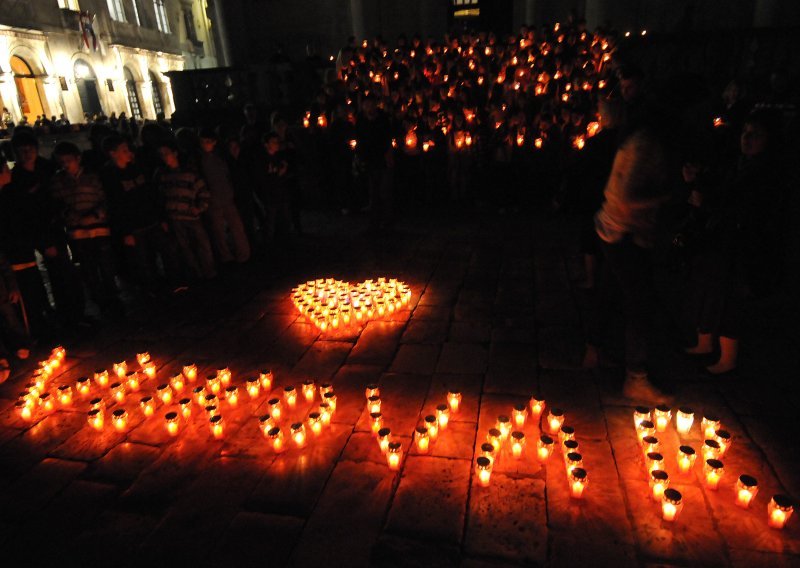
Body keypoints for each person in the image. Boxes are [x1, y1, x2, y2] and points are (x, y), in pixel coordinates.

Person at [684, 110, 784, 374]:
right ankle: (705, 342)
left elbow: (748, 211)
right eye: (745, 132)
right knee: (708, 288)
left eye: (756, 134)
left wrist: (709, 205)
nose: (747, 139)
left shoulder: (767, 175)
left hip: (743, 246)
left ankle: (728, 359)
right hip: (721, 241)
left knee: (731, 299)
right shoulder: (739, 163)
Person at [592, 126, 672, 403]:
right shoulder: (645, 146)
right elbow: (626, 199)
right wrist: (666, 197)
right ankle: (636, 377)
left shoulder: (635, 139)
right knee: (639, 302)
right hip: (622, 232)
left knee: (609, 289)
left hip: (613, 227)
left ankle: (595, 350)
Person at [8, 129, 85, 328]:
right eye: (22, 150)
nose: (27, 153)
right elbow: (25, 213)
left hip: (60, 223)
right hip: (42, 231)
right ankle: (69, 315)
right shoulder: (16, 178)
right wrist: (43, 241)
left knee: (69, 269)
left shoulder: (47, 167)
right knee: (58, 272)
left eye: (30, 149)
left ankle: (77, 311)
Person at [101, 134, 182, 295]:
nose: (128, 153)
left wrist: (161, 217)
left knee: (167, 252)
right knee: (144, 260)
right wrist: (126, 232)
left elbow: (150, 194)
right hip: (134, 227)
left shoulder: (137, 168)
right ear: (113, 153)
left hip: (151, 220)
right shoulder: (109, 176)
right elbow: (116, 206)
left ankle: (175, 282)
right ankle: (153, 289)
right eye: (123, 150)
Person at [50, 141, 121, 316]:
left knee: (106, 267)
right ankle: (101, 303)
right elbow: (57, 205)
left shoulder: (92, 177)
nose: (66, 165)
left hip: (99, 229)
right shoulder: (58, 181)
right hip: (78, 233)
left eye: (69, 160)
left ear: (78, 158)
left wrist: (94, 215)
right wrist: (69, 215)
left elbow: (104, 200)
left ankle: (114, 301)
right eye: (62, 161)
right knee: (89, 270)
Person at [155, 140, 216, 280]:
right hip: (175, 218)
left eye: (166, 153)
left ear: (175, 153)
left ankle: (210, 272)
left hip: (191, 216)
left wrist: (200, 208)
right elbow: (161, 197)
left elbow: (204, 192)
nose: (164, 157)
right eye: (161, 155)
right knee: (185, 248)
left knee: (202, 244)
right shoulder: (163, 175)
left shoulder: (189, 173)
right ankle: (196, 273)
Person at [198, 128, 250, 265]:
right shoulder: (199, 160)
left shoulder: (220, 157)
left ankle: (244, 255)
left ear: (214, 142)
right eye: (203, 142)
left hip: (227, 198)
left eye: (208, 141)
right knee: (219, 232)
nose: (205, 144)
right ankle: (226, 258)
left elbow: (228, 176)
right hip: (213, 201)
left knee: (237, 228)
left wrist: (230, 191)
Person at [355, 95, 394, 232]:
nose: (369, 107)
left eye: (371, 104)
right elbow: (359, 138)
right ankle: (374, 223)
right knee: (373, 193)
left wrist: (388, 156)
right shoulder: (361, 120)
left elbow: (388, 138)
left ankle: (387, 221)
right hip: (370, 160)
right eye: (366, 105)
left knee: (384, 192)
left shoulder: (383, 119)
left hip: (382, 159)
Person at [0, 250, 30, 383]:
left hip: (2, 295)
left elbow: (5, 267)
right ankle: (5, 362)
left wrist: (12, 287)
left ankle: (22, 354)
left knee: (11, 323)